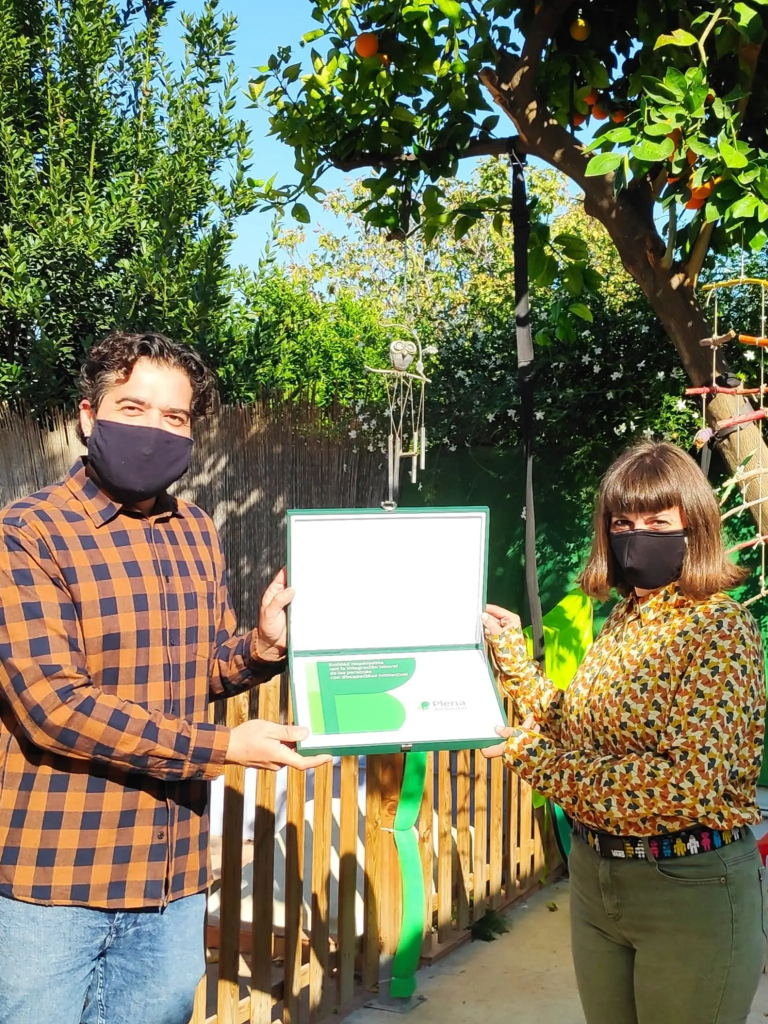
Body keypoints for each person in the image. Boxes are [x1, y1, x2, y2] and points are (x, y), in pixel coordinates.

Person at [0, 332, 331, 1024]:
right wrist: (224, 747)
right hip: (54, 880)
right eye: (133, 408)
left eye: (174, 416)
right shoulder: (28, 533)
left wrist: (259, 649)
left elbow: (201, 668)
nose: (154, 428)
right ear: (88, 416)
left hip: (171, 877)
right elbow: (53, 706)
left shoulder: (196, 530)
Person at [481, 440, 767, 1024]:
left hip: (687, 885)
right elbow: (578, 727)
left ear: (694, 526)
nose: (638, 536)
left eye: (658, 522)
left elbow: (683, 785)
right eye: (622, 523)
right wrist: (510, 653)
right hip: (597, 877)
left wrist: (535, 759)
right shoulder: (624, 617)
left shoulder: (719, 628)